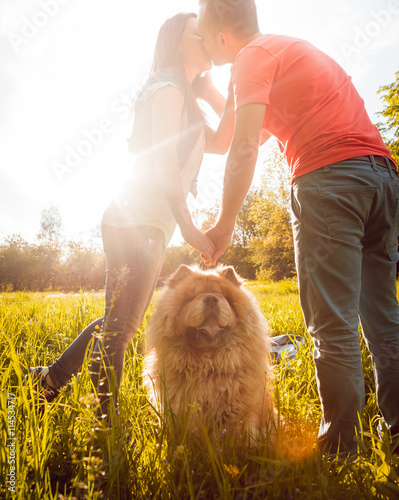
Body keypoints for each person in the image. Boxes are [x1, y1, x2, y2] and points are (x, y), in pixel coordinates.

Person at [197, 0, 399, 455]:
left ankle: (344, 451)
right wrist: (206, 91)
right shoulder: (284, 51)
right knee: (385, 320)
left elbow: (245, 146)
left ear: (223, 35)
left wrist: (225, 222)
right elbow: (231, 133)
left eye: (206, 39)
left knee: (333, 325)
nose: (206, 48)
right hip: (382, 178)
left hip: (331, 181)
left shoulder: (251, 58)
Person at [29, 12, 235, 419]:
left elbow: (224, 141)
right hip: (134, 219)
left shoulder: (187, 99)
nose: (208, 37)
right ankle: (106, 427)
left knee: (120, 321)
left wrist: (215, 90)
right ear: (177, 42)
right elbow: (161, 163)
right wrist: (191, 227)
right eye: (199, 33)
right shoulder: (167, 87)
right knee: (121, 329)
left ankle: (50, 378)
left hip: (148, 221)